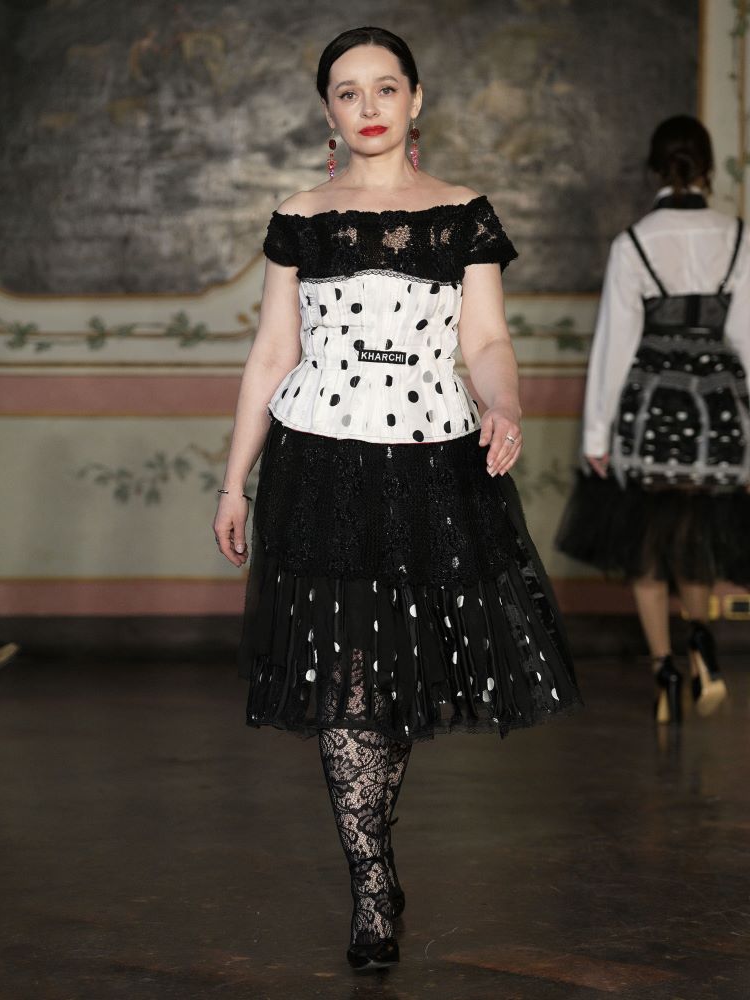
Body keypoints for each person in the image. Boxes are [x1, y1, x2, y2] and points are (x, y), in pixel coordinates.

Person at [213, 26, 581, 971]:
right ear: (328, 111)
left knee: (393, 674)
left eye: (385, 87)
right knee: (347, 676)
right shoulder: (301, 215)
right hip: (319, 463)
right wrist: (233, 481)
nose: (368, 106)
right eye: (348, 91)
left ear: (416, 99)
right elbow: (272, 352)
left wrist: (504, 403)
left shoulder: (462, 214)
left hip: (430, 463)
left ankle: (375, 844)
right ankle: (372, 884)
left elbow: (486, 341)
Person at [556, 115, 750, 725]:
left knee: (645, 545)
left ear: (654, 168)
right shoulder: (738, 237)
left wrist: (596, 436)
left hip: (651, 411)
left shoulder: (633, 242)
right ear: (708, 168)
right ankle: (701, 642)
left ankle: (664, 666)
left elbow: (615, 346)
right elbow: (747, 340)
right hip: (717, 412)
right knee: (695, 535)